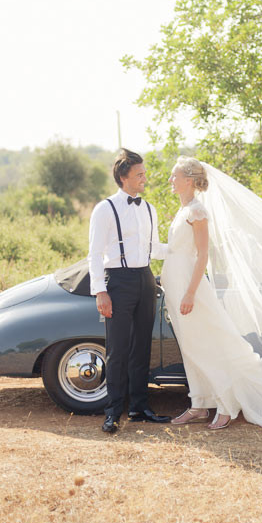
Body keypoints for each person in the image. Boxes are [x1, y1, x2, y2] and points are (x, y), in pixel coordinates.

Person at [161, 156, 262, 430]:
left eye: (174, 176)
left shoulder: (197, 212)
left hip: (190, 288)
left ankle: (225, 406)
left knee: (208, 345)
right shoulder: (183, 210)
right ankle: (199, 404)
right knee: (190, 347)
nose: (170, 180)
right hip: (175, 286)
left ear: (188, 181)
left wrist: (190, 293)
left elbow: (202, 256)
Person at [88, 148, 171, 433]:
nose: (145, 178)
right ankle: (112, 412)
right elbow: (94, 254)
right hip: (118, 281)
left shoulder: (149, 209)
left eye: (144, 173)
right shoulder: (104, 209)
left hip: (146, 279)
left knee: (141, 347)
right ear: (123, 177)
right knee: (118, 349)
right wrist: (100, 291)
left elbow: (155, 248)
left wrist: (186, 245)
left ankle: (139, 408)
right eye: (139, 174)